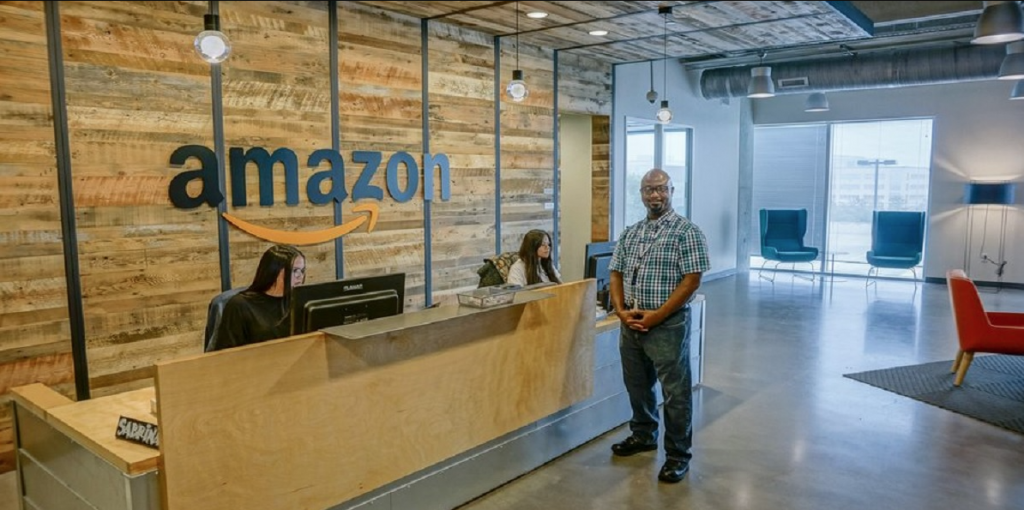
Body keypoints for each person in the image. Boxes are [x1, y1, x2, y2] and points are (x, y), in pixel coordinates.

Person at [607, 168, 710, 484]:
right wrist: (621, 310)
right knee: (637, 386)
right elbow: (616, 273)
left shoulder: (686, 232)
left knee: (676, 393)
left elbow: (691, 281)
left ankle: (678, 456)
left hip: (667, 325)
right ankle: (643, 435)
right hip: (632, 323)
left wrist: (657, 316)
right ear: (641, 193)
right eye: (649, 189)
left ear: (672, 191)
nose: (655, 195)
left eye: (661, 189)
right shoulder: (631, 232)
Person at [209, 244, 306, 351]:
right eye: (295, 270)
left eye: (302, 271)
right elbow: (226, 353)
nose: (300, 277)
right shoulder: (239, 305)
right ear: (274, 271)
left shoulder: (299, 302)